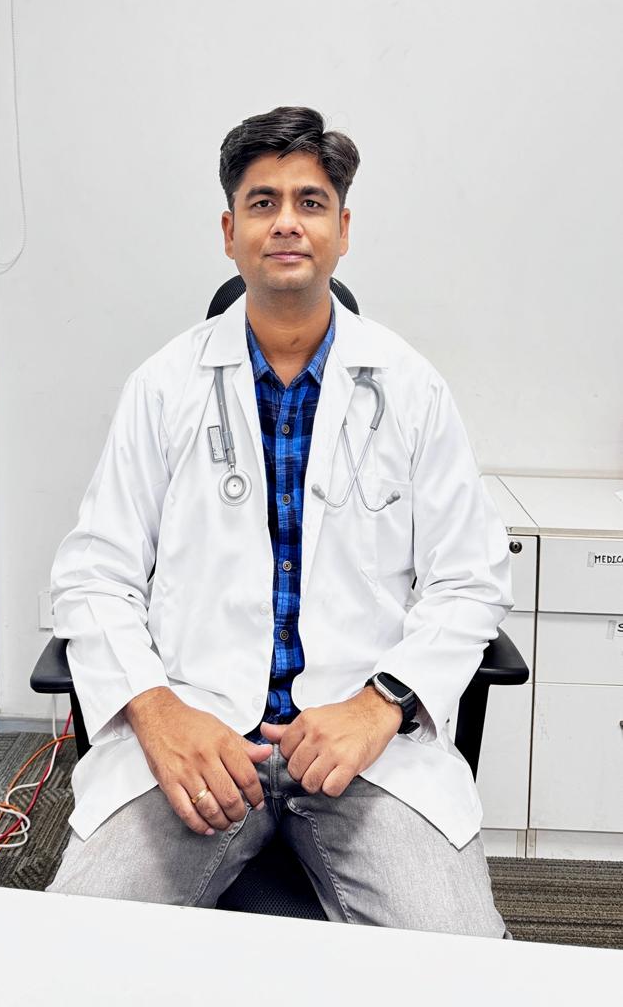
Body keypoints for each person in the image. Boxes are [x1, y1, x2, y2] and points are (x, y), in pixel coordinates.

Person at [46, 105, 513, 938]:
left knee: (464, 969)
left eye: (310, 202)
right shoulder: (163, 386)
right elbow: (93, 576)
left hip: (360, 749)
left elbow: (470, 580)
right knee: (65, 957)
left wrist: (380, 705)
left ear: (342, 230)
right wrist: (157, 711)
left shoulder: (410, 388)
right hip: (198, 741)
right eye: (262, 203)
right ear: (230, 233)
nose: (287, 222)